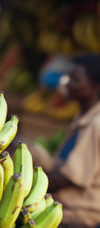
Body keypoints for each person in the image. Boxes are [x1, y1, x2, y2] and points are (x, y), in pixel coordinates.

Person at [31, 53, 100, 227]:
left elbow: (67, 177)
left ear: (95, 87)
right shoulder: (82, 118)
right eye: (67, 77)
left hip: (80, 217)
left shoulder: (95, 125)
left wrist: (24, 185)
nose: (66, 83)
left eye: (75, 79)